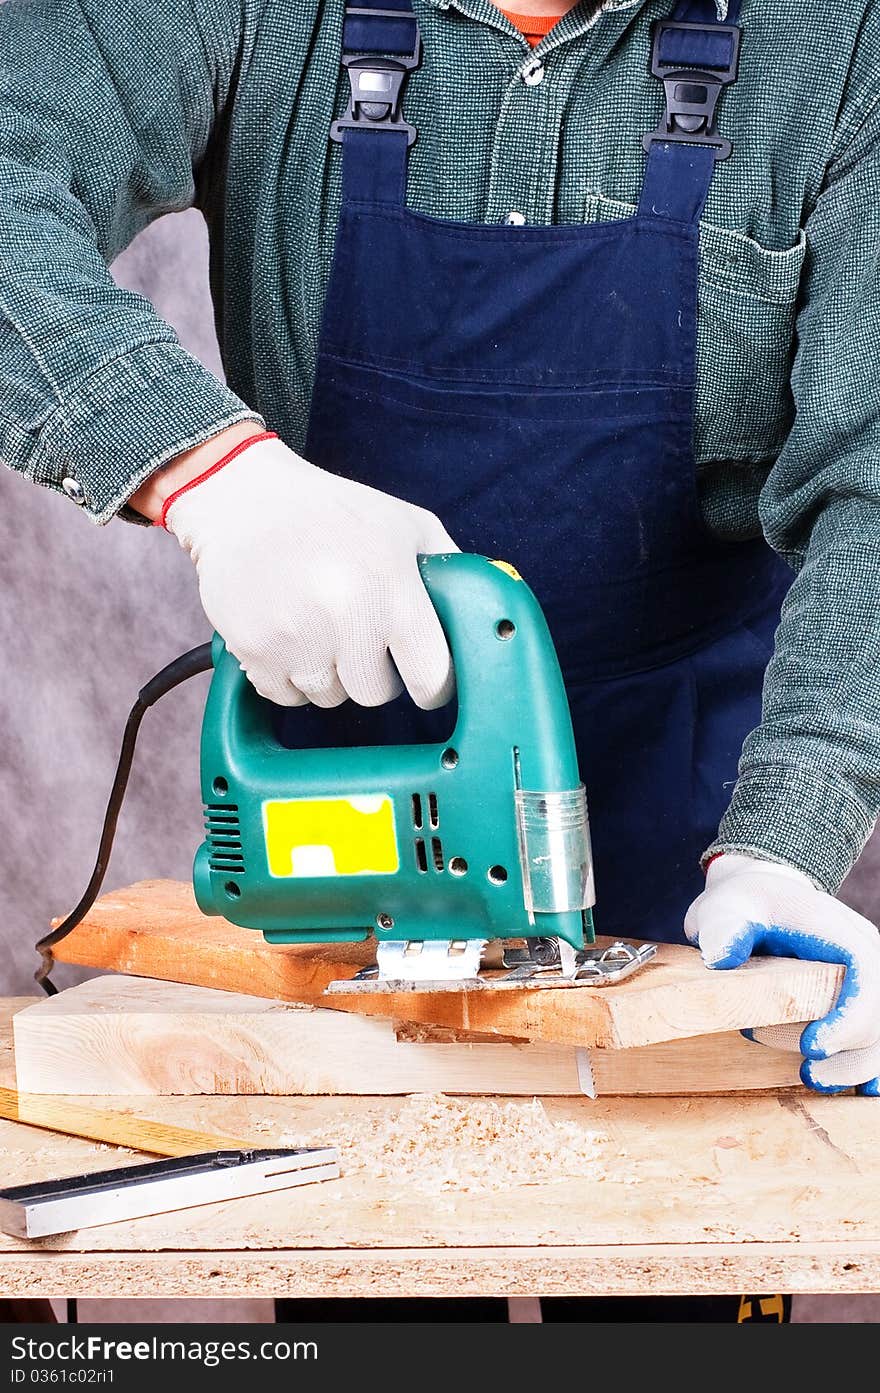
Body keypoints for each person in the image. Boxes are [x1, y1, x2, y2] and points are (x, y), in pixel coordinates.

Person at [1, 0, 878, 1323]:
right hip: (360, 886)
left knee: (678, 1307)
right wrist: (212, 472)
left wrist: (797, 832)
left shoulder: (844, 39)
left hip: (688, 876)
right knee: (377, 1306)